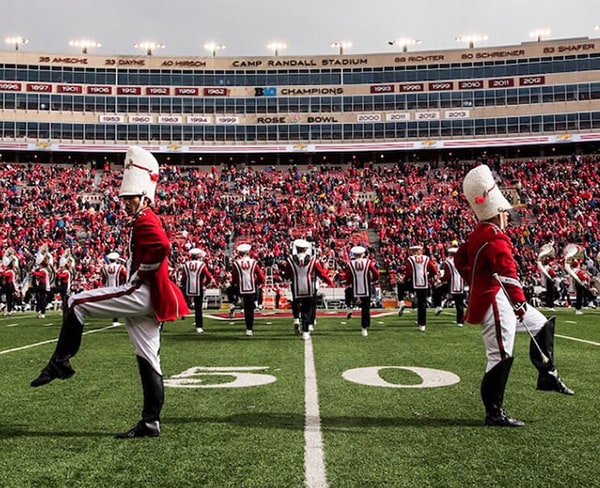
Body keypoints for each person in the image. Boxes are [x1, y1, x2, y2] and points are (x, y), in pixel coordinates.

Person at [30, 145, 190, 439]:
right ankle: (150, 422)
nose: (126, 204)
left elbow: (163, 246)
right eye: (125, 200)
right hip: (148, 295)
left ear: (143, 197)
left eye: (130, 199)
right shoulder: (142, 218)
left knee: (76, 301)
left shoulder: (145, 218)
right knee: (148, 358)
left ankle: (60, 362)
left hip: (141, 291)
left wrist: (143, 273)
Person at [454, 164, 574, 428]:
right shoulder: (495, 236)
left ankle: (547, 373)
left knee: (540, 323)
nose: (508, 217)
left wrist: (476, 279)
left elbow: (460, 259)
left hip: (496, 295)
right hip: (496, 299)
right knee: (500, 354)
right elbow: (508, 273)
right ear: (497, 213)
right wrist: (517, 302)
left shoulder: (478, 233)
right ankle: (494, 412)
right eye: (505, 213)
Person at [283, 239, 333, 340]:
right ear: (306, 249)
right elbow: (321, 273)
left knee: (295, 302)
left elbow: (287, 274)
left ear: (296, 249)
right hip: (308, 286)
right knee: (307, 308)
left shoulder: (290, 260)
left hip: (296, 285)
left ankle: (296, 319)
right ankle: (305, 331)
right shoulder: (312, 260)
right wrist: (329, 282)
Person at [397, 244, 438, 332]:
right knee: (422, 304)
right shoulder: (426, 259)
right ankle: (422, 325)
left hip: (413, 282)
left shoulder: (410, 259)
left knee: (400, 285)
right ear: (420, 251)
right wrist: (427, 276)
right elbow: (434, 271)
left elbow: (408, 273)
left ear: (413, 251)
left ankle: (401, 302)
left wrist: (403, 280)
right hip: (424, 283)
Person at [345, 245, 380, 337]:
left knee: (347, 292)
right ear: (363, 254)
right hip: (366, 287)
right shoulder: (368, 262)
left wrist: (350, 282)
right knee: (366, 308)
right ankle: (364, 327)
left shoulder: (350, 264)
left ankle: (349, 307)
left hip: (355, 287)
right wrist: (372, 280)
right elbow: (376, 274)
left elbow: (347, 278)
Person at [231, 243, 265, 336]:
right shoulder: (254, 262)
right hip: (251, 287)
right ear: (248, 252)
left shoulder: (236, 263)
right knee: (250, 309)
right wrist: (255, 282)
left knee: (244, 306)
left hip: (240, 288)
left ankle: (233, 303)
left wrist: (235, 285)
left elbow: (234, 278)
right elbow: (261, 277)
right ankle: (249, 329)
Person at [180, 248, 215, 333]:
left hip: (188, 287)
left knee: (186, 301)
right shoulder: (202, 264)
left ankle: (183, 311)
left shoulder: (186, 264)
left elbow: (183, 279)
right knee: (198, 308)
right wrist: (204, 285)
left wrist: (184, 285)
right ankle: (199, 326)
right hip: (199, 287)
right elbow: (209, 277)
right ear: (198, 256)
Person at [436, 246, 466, 327]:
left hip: (451, 283)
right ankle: (460, 321)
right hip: (461, 283)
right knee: (459, 303)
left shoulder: (448, 262)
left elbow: (447, 275)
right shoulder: (463, 261)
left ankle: (439, 306)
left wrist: (441, 279)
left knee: (438, 291)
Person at [101, 252, 127, 326]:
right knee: (117, 303)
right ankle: (115, 320)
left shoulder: (104, 267)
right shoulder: (120, 267)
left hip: (108, 287)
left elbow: (103, 279)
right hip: (117, 286)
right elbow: (125, 275)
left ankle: (113, 318)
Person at [31, 245, 54, 319]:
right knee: (41, 299)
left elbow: (37, 274)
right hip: (42, 285)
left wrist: (32, 271)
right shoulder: (43, 270)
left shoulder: (43, 271)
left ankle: (43, 311)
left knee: (41, 299)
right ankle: (42, 311)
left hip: (42, 286)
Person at [1, 248, 20, 316]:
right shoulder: (9, 271)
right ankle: (9, 309)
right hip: (9, 285)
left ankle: (10, 309)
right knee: (8, 298)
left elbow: (5, 274)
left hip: (9, 285)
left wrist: (1, 270)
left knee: (9, 298)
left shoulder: (11, 271)